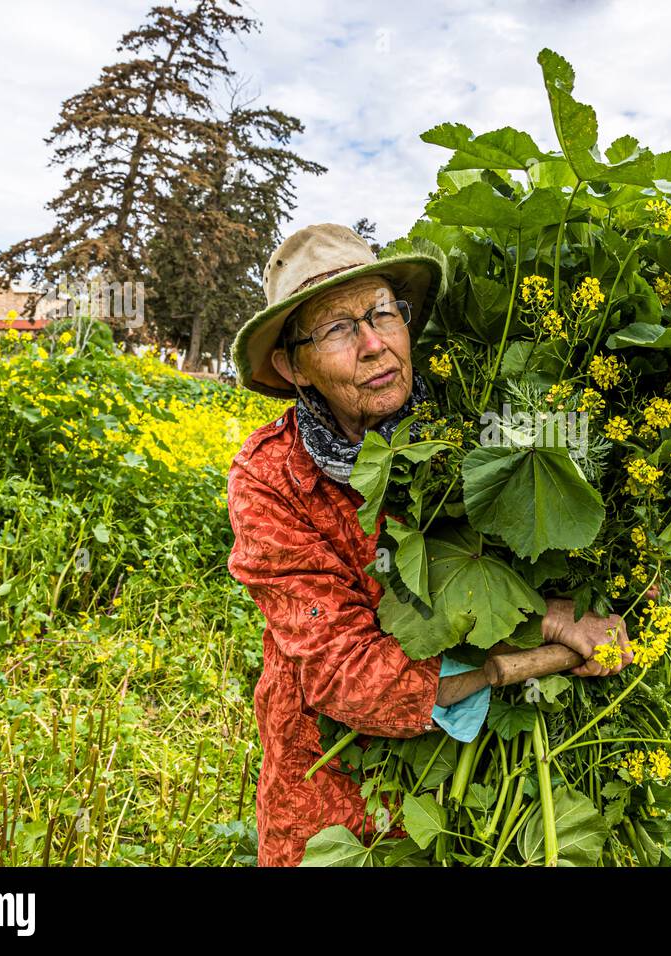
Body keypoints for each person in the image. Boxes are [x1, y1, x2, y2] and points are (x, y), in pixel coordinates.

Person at [225, 223, 635, 867]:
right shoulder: (270, 477)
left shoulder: (475, 416)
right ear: (291, 365)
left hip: (495, 783)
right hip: (337, 776)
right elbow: (342, 671)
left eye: (382, 312)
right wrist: (544, 625)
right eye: (336, 329)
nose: (372, 345)